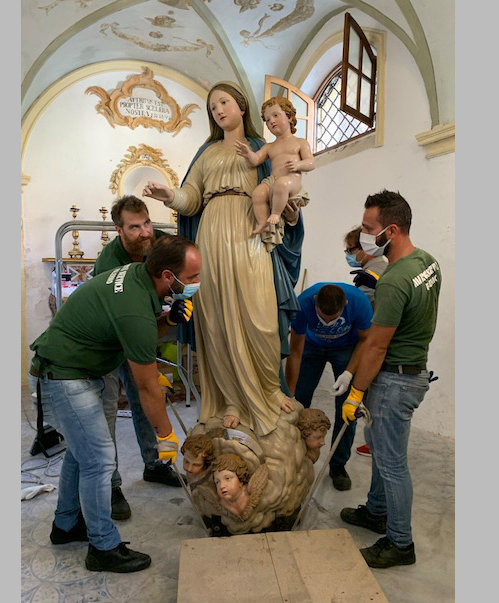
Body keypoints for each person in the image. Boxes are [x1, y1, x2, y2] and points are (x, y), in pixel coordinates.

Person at [28, 236, 200, 573]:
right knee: (101, 459)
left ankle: (65, 526)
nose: (196, 284)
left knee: (83, 454)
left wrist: (170, 320)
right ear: (168, 276)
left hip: (72, 369)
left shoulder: (138, 276)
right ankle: (102, 547)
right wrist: (165, 435)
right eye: (192, 277)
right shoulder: (134, 303)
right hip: (64, 375)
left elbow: (138, 333)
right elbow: (146, 386)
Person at [143, 82, 303, 437]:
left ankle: (268, 389)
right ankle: (230, 399)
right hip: (212, 231)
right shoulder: (208, 153)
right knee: (215, 318)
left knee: (260, 315)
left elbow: (288, 184)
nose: (217, 109)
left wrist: (289, 205)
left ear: (241, 106)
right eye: (212, 106)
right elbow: (192, 198)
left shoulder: (264, 148)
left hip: (251, 227)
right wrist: (169, 195)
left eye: (224, 102)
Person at [332, 190, 441, 569]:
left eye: (368, 228)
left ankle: (399, 542)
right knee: (380, 450)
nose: (362, 234)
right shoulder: (428, 262)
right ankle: (377, 510)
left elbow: (376, 346)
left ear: (390, 231)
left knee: (392, 463)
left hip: (394, 380)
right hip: (412, 370)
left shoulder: (393, 280)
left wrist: (355, 390)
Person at [91, 196, 182, 521]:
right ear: (119, 230)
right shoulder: (108, 263)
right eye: (134, 227)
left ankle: (155, 464)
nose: (145, 232)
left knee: (149, 399)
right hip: (108, 340)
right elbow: (125, 317)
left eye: (146, 222)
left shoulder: (155, 240)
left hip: (138, 327)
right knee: (109, 410)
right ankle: (112, 484)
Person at [284, 283, 373, 490]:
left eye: (332, 319)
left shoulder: (359, 302)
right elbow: (295, 351)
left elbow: (366, 340)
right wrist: (290, 392)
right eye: (323, 317)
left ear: (345, 305)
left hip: (346, 348)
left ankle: (338, 464)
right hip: (312, 346)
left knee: (347, 409)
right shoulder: (303, 303)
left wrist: (349, 372)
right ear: (315, 302)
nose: (327, 322)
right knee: (299, 402)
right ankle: (297, 457)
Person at [233, 97, 314, 235]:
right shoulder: (269, 146)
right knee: (258, 193)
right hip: (273, 180)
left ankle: (275, 214)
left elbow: (311, 162)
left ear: (288, 117)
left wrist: (298, 164)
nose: (272, 121)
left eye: (275, 115)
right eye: (267, 120)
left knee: (282, 184)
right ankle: (263, 223)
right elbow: (256, 159)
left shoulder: (300, 142)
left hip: (291, 181)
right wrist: (248, 153)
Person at [344, 226, 389, 459]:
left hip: (374, 343)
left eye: (350, 250)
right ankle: (374, 443)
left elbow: (367, 313)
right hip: (378, 341)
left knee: (373, 396)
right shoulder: (382, 267)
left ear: (364, 249)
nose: (348, 254)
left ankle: (376, 445)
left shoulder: (373, 273)